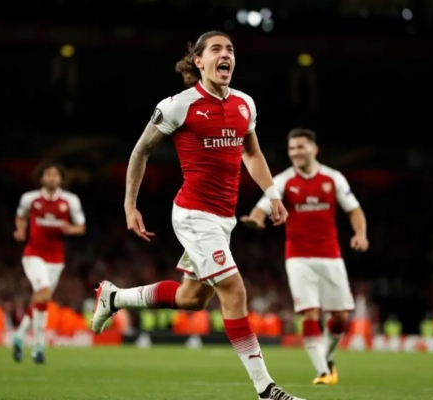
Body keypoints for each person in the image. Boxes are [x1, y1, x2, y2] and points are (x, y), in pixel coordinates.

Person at [91, 31, 305, 400]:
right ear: (199, 61)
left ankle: (114, 298)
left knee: (192, 298)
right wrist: (130, 204)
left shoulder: (245, 105)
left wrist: (273, 195)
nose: (226, 55)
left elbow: (251, 153)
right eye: (216, 49)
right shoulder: (178, 105)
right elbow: (140, 151)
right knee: (234, 290)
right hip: (193, 215)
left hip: (224, 220)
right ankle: (266, 389)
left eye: (230, 49)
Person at [240, 128, 369, 385]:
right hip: (298, 257)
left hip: (331, 256)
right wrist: (256, 219)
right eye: (291, 148)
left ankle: (328, 357)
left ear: (314, 149)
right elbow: (262, 208)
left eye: (300, 147)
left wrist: (360, 234)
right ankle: (323, 372)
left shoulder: (333, 178)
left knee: (340, 317)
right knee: (309, 313)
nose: (295, 152)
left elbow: (354, 209)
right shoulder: (283, 180)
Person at [12, 161, 86, 364]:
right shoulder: (30, 198)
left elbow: (81, 227)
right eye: (48, 174)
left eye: (55, 175)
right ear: (41, 178)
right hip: (33, 255)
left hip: (56, 259)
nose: (52, 177)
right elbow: (20, 216)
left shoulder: (70, 200)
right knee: (43, 292)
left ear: (61, 179)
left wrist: (70, 229)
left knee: (41, 298)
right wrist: (21, 230)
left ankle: (19, 336)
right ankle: (38, 345)